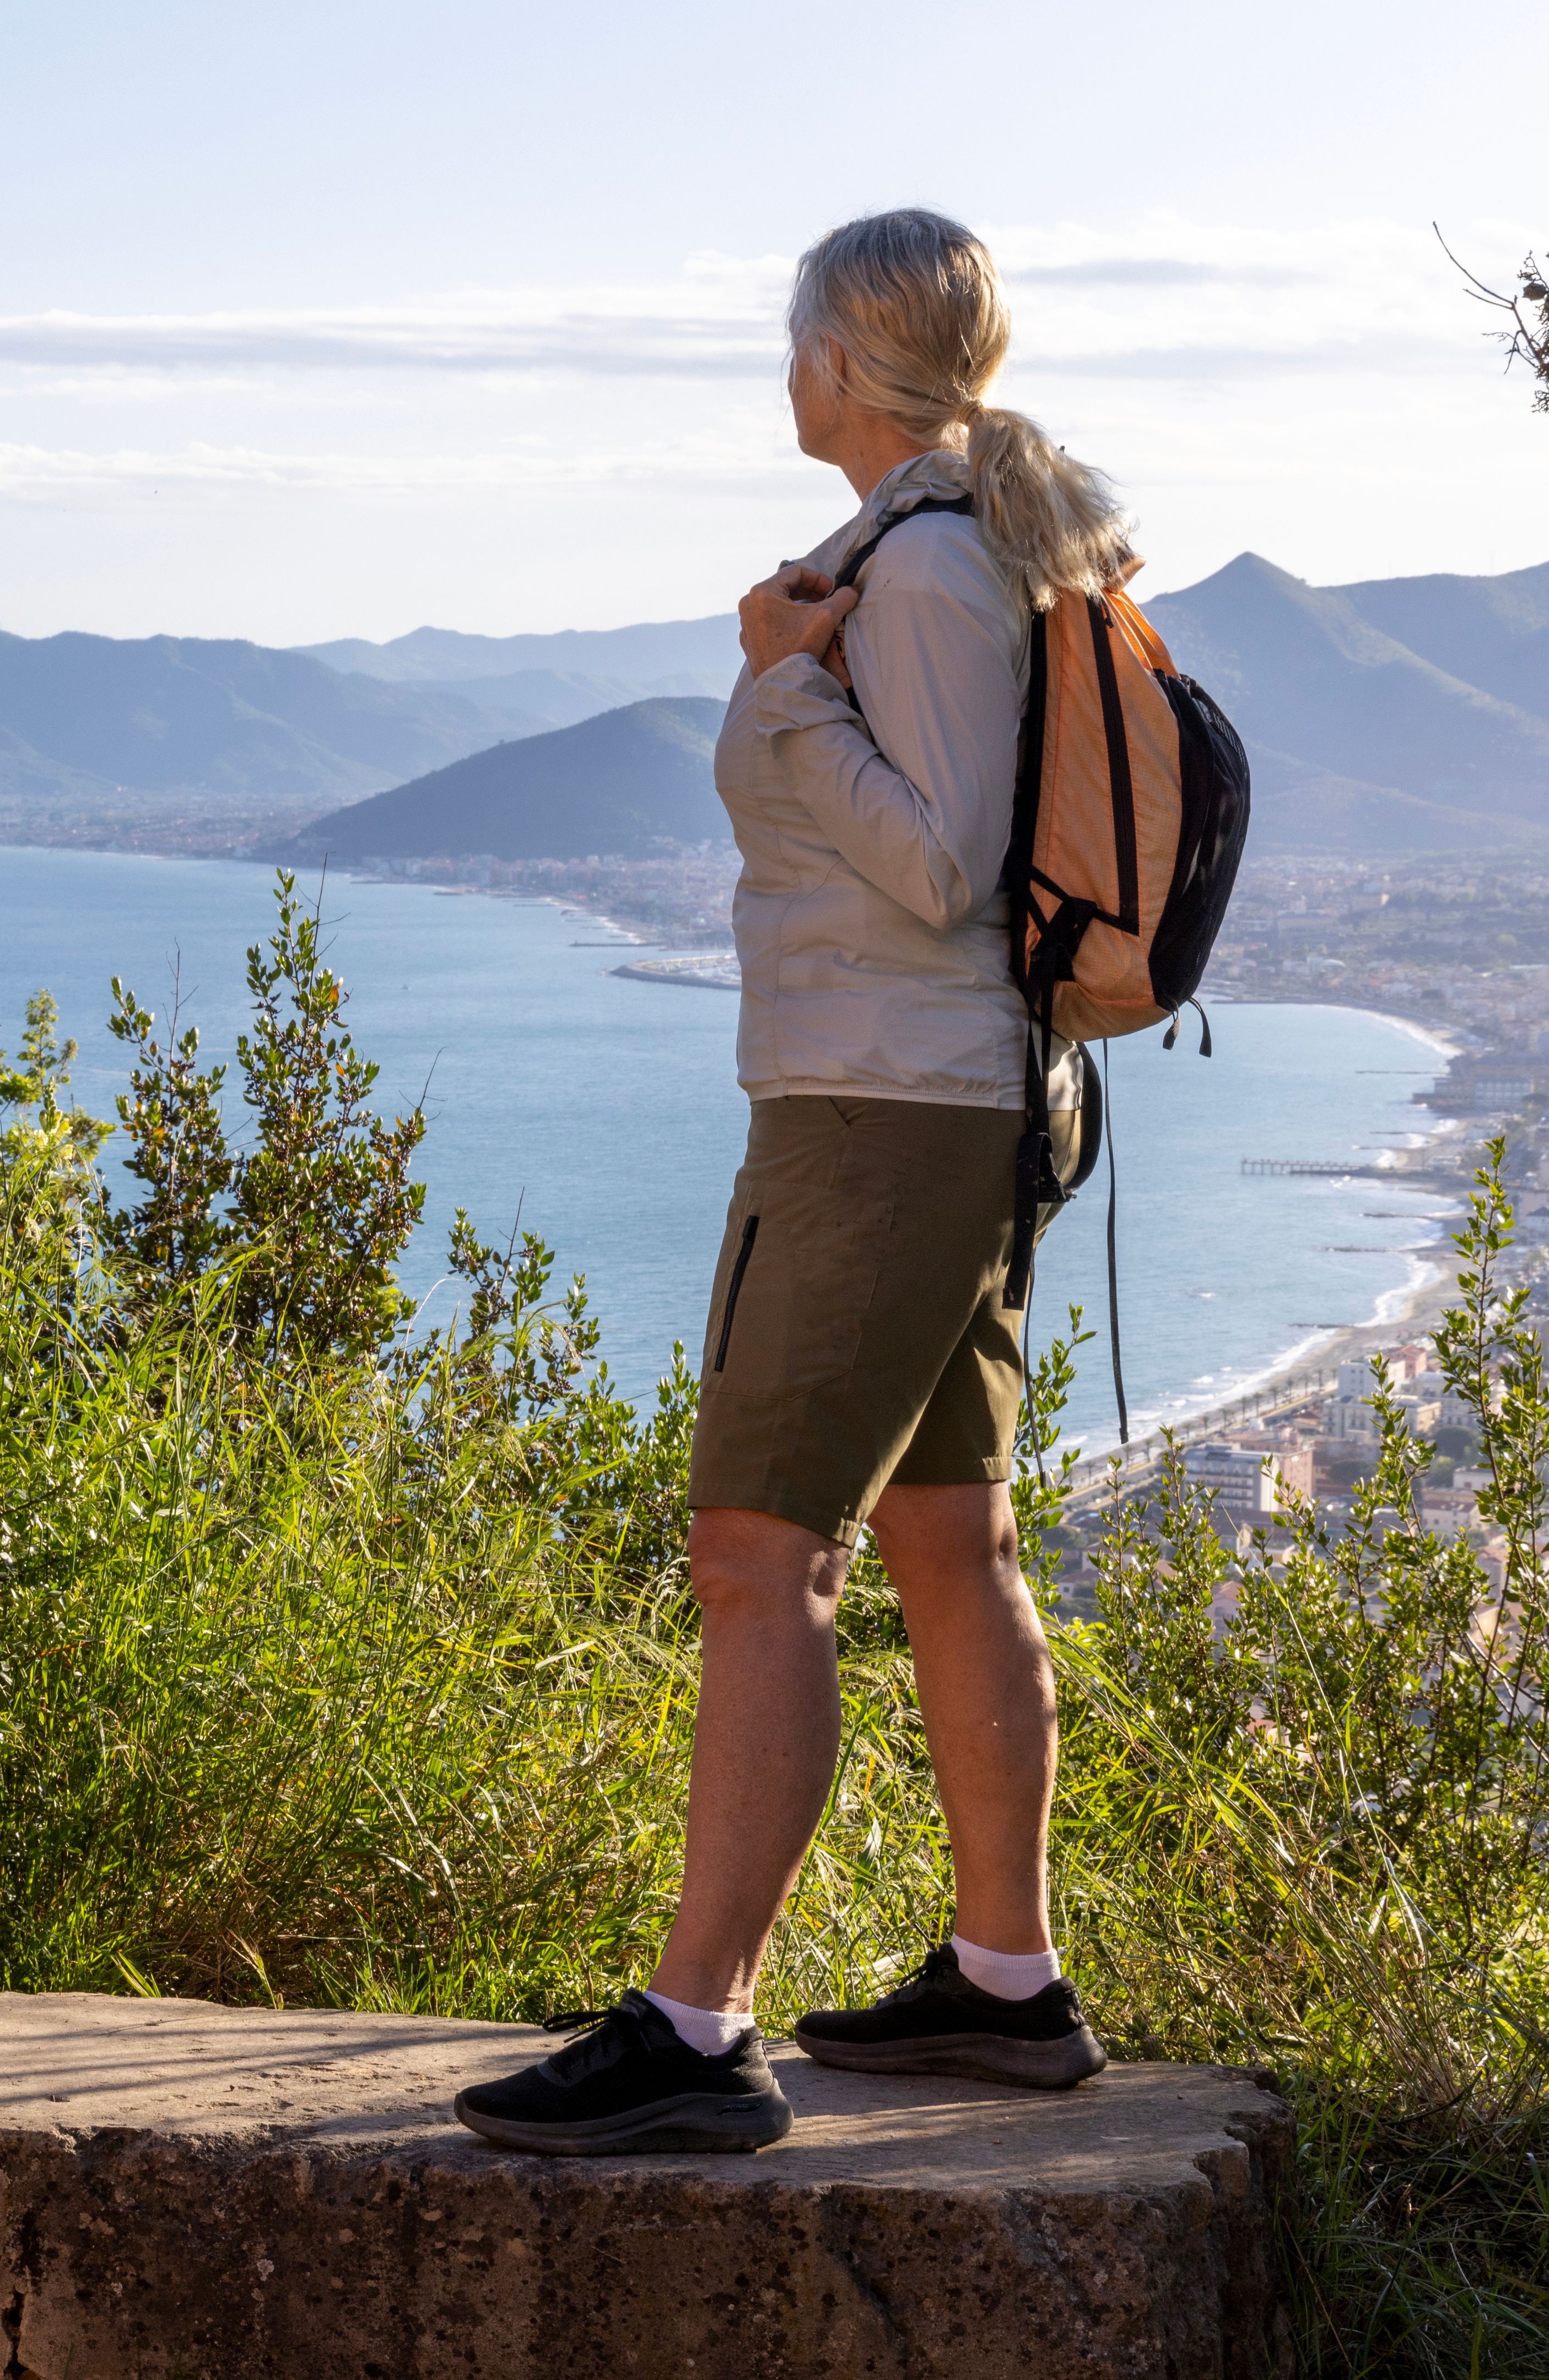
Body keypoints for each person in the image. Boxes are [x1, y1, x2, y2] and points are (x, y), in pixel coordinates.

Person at [453, 209, 1126, 2156]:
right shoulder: (960, 541)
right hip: (960, 1105)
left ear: (849, 353)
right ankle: (1007, 1987)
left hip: (878, 1117)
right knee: (947, 1542)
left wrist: (779, 692)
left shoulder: (913, 571)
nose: (784, 362)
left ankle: (696, 2028)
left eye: (796, 333)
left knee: (762, 1556)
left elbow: (939, 862)